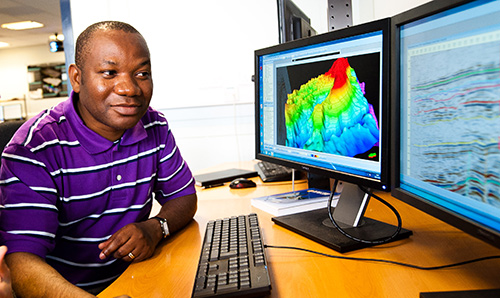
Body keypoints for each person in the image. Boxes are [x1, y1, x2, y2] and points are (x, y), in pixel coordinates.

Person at [0, 21, 197, 297]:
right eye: (109, 72)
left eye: (141, 73)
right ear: (77, 78)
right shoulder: (34, 148)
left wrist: (154, 228)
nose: (129, 88)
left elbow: (184, 197)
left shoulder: (154, 125)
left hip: (138, 278)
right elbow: (21, 263)